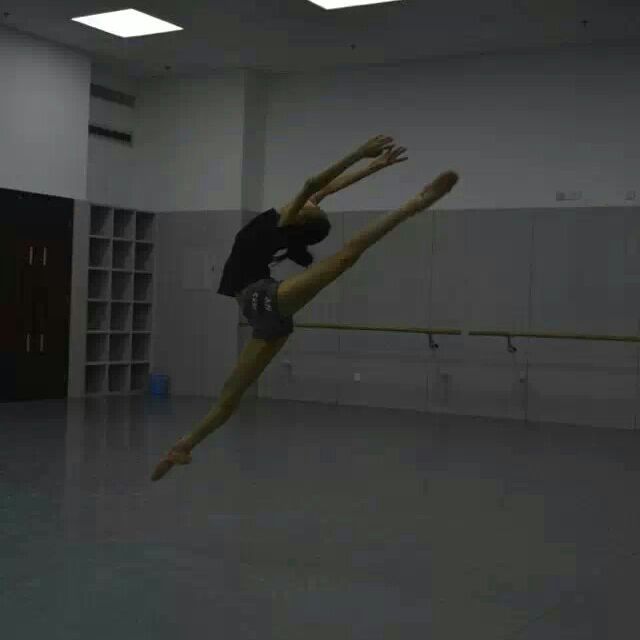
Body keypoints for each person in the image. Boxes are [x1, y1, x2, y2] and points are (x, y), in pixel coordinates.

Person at [151, 135, 459, 481]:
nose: (314, 202)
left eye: (312, 208)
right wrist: (372, 168)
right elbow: (326, 188)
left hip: (260, 300)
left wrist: (359, 153)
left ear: (300, 219)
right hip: (265, 309)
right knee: (230, 396)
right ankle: (183, 447)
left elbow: (314, 183)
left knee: (345, 257)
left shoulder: (283, 220)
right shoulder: (289, 219)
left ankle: (415, 204)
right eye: (315, 205)